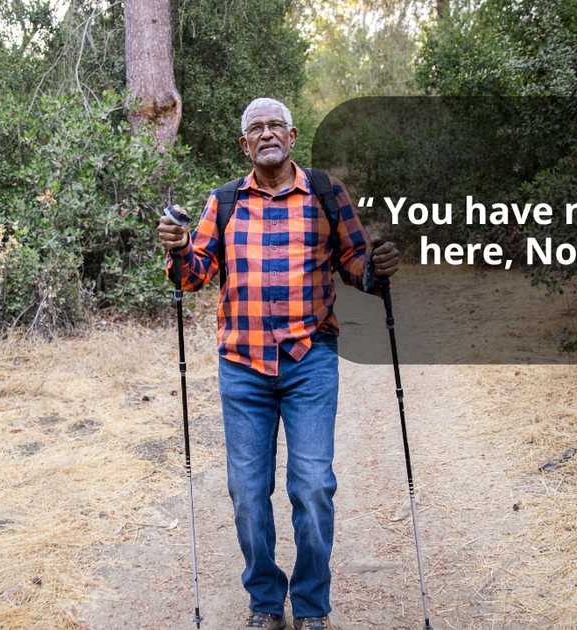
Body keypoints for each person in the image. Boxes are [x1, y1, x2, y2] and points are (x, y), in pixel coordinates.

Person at [157, 97, 400, 630]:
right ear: (245, 145)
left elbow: (357, 265)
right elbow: (191, 276)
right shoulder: (222, 203)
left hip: (309, 360)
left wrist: (378, 266)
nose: (266, 134)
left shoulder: (326, 193)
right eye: (255, 129)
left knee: (312, 486)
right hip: (242, 366)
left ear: (291, 137)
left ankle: (312, 606)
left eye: (275, 126)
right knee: (247, 491)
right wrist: (176, 248)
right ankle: (266, 601)